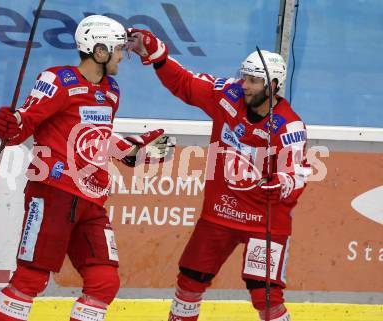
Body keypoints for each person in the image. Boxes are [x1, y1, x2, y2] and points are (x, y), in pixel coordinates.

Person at [0, 16, 173, 321]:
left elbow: (96, 139)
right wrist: (10, 123)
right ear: (99, 51)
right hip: (53, 193)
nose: (121, 56)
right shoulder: (57, 80)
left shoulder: (111, 91)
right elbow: (22, 126)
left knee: (104, 283)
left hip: (91, 200)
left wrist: (134, 150)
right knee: (31, 279)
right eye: (116, 50)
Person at [127, 29, 311, 321]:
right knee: (190, 281)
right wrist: (157, 52)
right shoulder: (229, 93)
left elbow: (298, 174)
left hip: (264, 219)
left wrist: (279, 183)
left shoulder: (289, 126)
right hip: (220, 212)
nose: (245, 85)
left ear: (273, 85)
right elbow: (186, 83)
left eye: (253, 80)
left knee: (265, 296)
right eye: (245, 77)